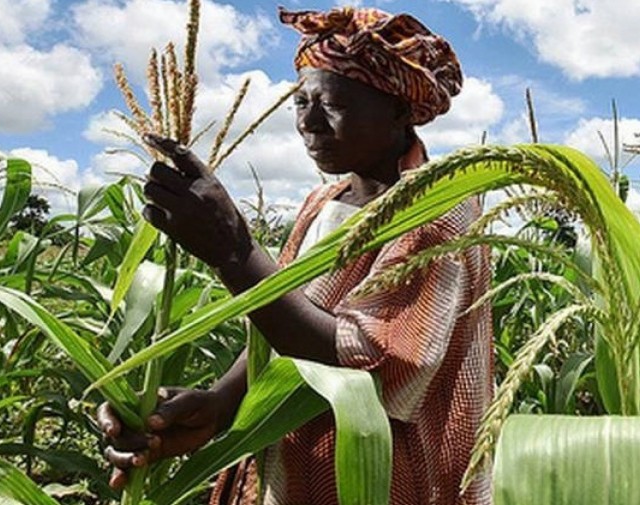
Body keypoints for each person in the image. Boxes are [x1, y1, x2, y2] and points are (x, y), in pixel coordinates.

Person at [98, 6, 493, 504]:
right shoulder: (322, 202)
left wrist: (234, 251)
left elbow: (370, 368)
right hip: (291, 471)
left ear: (397, 109)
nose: (309, 122)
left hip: (381, 481)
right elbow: (282, 320)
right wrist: (220, 403)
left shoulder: (439, 212)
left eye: (332, 104)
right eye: (300, 102)